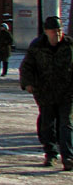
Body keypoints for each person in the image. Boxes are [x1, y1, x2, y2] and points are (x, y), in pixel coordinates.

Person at [18, 16, 73, 171]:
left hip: (67, 93)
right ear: (46, 31)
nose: (57, 33)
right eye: (54, 31)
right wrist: (28, 83)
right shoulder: (37, 46)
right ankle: (50, 153)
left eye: (59, 30)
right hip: (45, 92)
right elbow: (27, 66)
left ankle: (68, 156)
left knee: (66, 124)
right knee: (47, 124)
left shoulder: (69, 45)